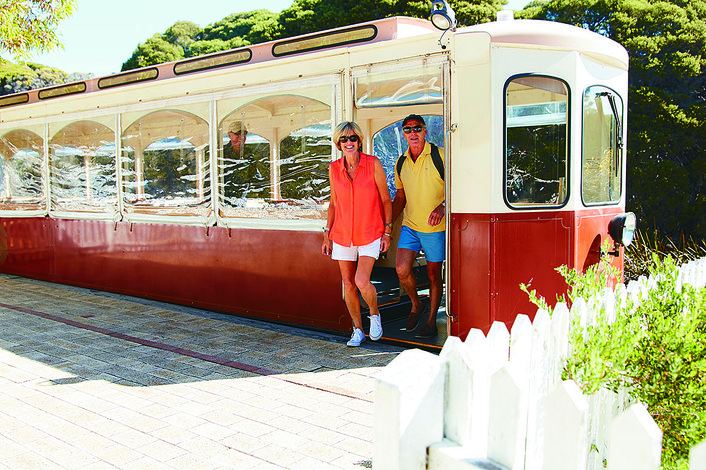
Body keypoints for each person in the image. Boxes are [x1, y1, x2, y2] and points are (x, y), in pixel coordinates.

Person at [322, 121, 393, 347]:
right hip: (342, 234)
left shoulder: (373, 164)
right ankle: (358, 330)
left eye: (353, 138)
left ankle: (374, 314)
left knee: (361, 280)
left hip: (370, 231)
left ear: (359, 140)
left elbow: (385, 199)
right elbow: (333, 203)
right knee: (348, 284)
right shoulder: (334, 168)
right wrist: (327, 234)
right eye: (343, 139)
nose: (349, 142)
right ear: (338, 143)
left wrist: (387, 231)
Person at [392, 114, 445, 339]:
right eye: (408, 129)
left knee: (434, 274)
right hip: (410, 225)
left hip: (435, 227)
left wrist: (443, 207)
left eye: (417, 128)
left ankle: (431, 321)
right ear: (404, 134)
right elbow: (400, 197)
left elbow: (459, 186)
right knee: (401, 269)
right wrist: (386, 224)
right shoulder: (401, 162)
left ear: (425, 131)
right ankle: (417, 305)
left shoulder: (440, 155)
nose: (412, 133)